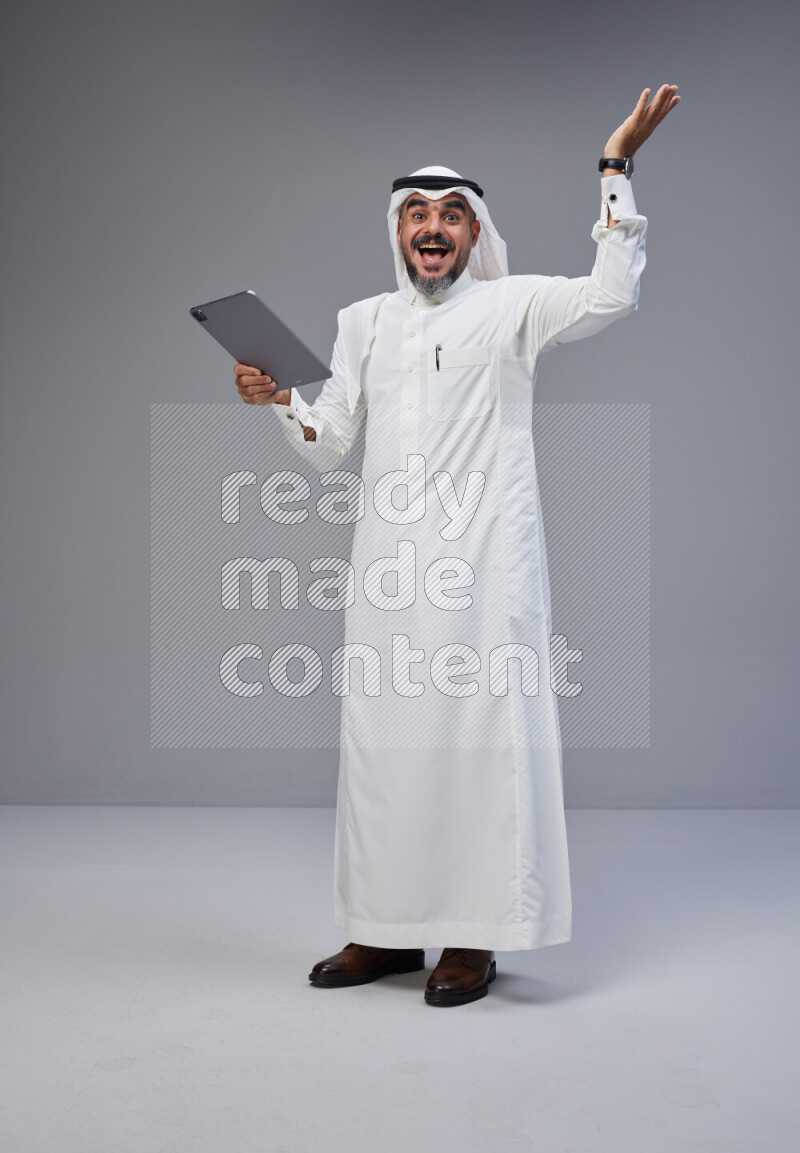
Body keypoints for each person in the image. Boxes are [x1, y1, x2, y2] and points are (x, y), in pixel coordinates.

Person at [235, 85, 680, 1007]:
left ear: (475, 232)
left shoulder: (513, 305)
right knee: (383, 744)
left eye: (449, 215)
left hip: (488, 566)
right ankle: (385, 931)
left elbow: (613, 293)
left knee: (483, 745)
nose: (431, 228)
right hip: (389, 571)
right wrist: (282, 400)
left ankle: (474, 939)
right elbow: (332, 444)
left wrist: (615, 167)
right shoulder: (363, 322)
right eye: (414, 214)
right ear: (396, 233)